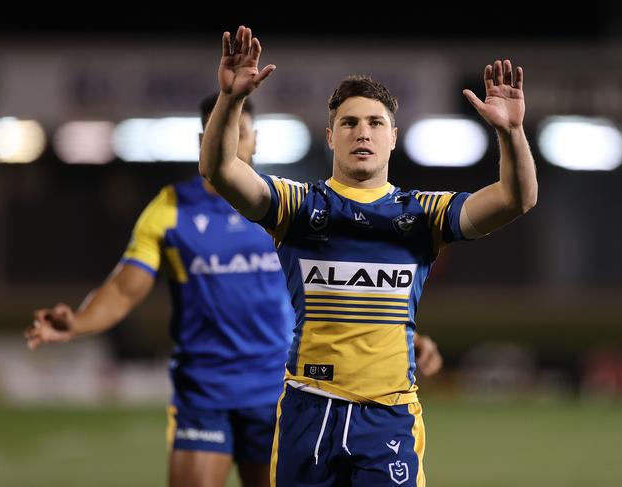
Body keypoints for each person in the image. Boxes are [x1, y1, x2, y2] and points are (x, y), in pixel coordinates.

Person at [24, 93, 444, 487]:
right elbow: (124, 289)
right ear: (204, 140)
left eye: (240, 131)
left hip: (280, 390)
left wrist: (407, 338)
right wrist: (78, 322)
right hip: (205, 390)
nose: (231, 138)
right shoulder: (171, 208)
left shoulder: (290, 209)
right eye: (219, 131)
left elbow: (347, 286)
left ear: (255, 138)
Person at [198, 25, 537, 487]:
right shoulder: (298, 207)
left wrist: (512, 133)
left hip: (389, 416)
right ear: (330, 136)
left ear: (393, 137)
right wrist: (230, 99)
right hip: (308, 408)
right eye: (350, 123)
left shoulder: (424, 214)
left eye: (376, 123)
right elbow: (219, 170)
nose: (363, 133)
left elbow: (516, 199)